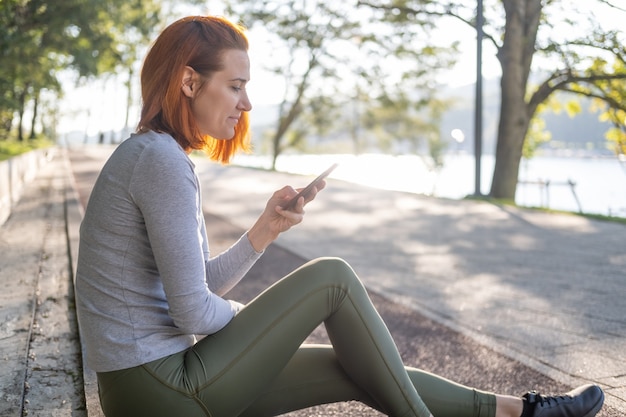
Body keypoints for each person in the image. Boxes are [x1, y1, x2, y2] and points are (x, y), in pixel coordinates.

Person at [75, 15, 605, 417]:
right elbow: (194, 312)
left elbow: (192, 286)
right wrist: (251, 322)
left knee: (355, 364)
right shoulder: (161, 162)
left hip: (147, 385)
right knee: (332, 277)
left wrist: (265, 230)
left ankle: (525, 410)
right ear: (190, 82)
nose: (247, 104)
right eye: (235, 86)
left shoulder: (153, 154)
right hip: (161, 389)